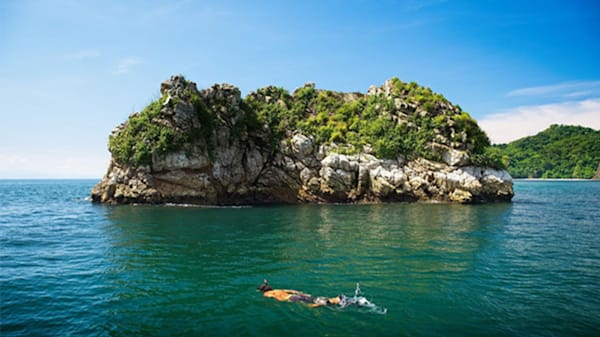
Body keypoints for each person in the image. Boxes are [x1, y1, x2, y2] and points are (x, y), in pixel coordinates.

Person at [257, 279, 341, 308]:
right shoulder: (278, 290)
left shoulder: (266, 294)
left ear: (263, 291)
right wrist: (266, 283)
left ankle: (321, 304)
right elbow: (291, 290)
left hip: (291, 299)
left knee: (310, 306)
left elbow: (266, 294)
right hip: (295, 295)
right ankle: (334, 300)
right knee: (314, 299)